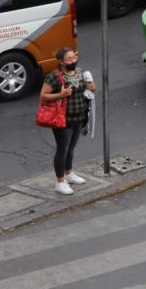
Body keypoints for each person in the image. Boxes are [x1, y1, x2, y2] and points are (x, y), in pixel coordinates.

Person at [40, 47, 96, 195]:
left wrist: (90, 86)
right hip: (62, 120)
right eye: (69, 59)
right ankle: (59, 181)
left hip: (79, 117)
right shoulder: (54, 76)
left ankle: (69, 173)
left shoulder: (80, 72)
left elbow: (89, 88)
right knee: (62, 149)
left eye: (74, 57)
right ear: (61, 62)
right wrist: (61, 94)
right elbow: (43, 96)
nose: (73, 61)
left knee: (71, 148)